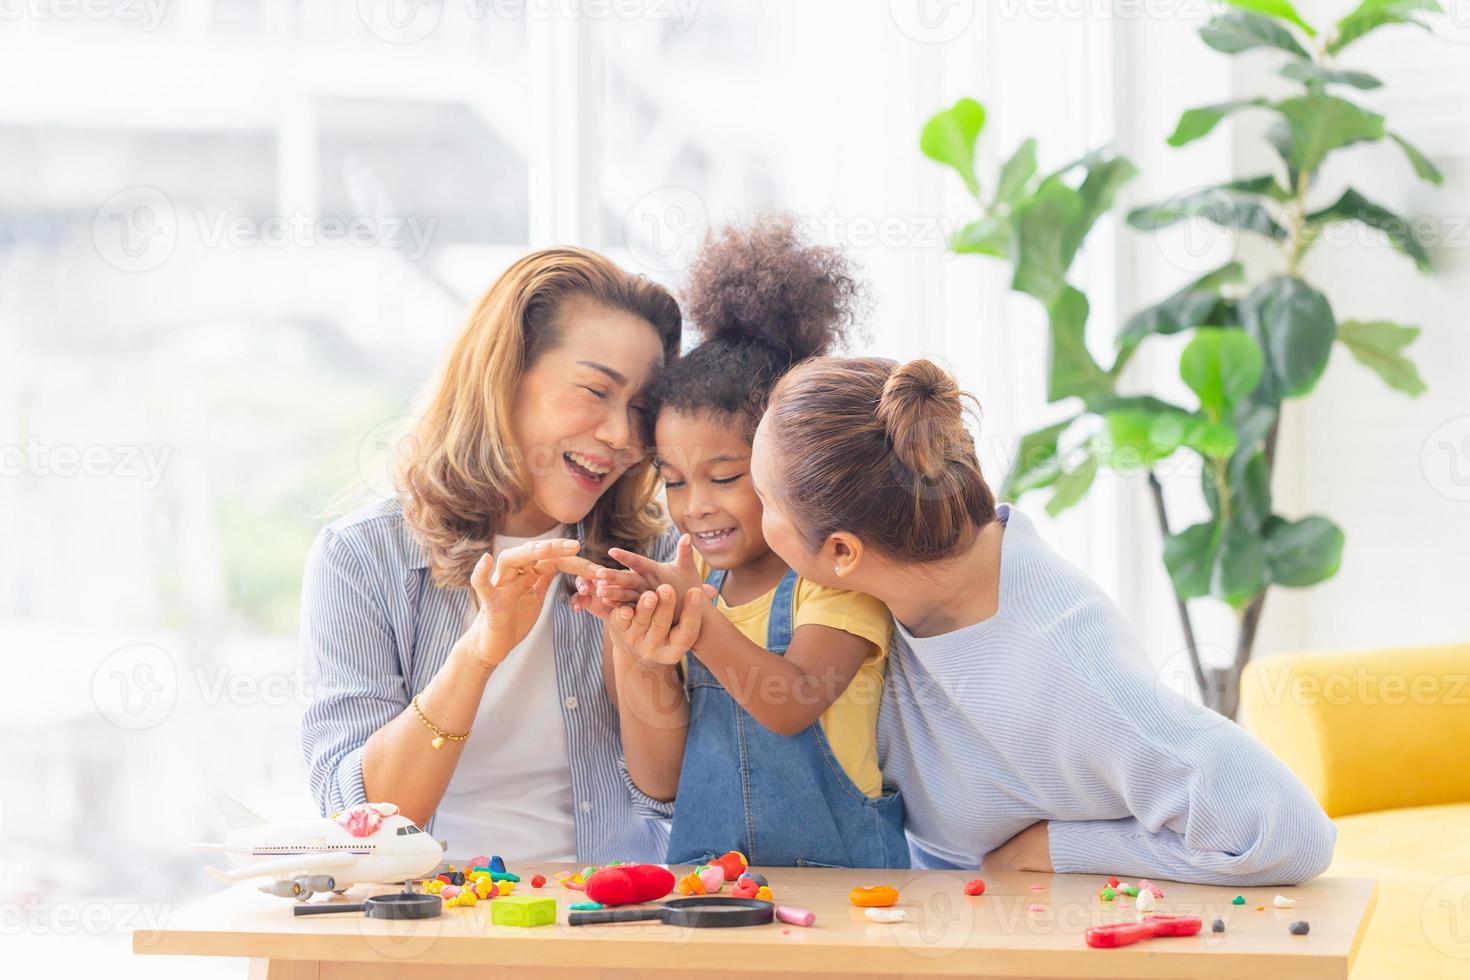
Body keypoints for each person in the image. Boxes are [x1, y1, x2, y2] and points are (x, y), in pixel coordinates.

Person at [738, 355, 1336, 885]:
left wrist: (1062, 848)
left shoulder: (1070, 670)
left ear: (842, 552)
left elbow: (1292, 834)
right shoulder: (887, 583)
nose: (748, 512)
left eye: (764, 501)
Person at [299, 248, 683, 863]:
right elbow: (358, 823)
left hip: (612, 922)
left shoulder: (653, 557)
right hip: (433, 927)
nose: (622, 436)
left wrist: (642, 663)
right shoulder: (362, 558)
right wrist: (481, 653)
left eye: (641, 408)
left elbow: (669, 798)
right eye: (594, 390)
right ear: (503, 378)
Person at [596, 217, 907, 869]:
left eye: (725, 476)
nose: (694, 506)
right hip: (710, 899)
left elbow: (790, 703)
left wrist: (696, 617)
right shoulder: (693, 586)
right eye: (673, 482)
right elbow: (660, 781)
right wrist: (636, 644)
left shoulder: (835, 575)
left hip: (846, 903)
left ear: (780, 464)